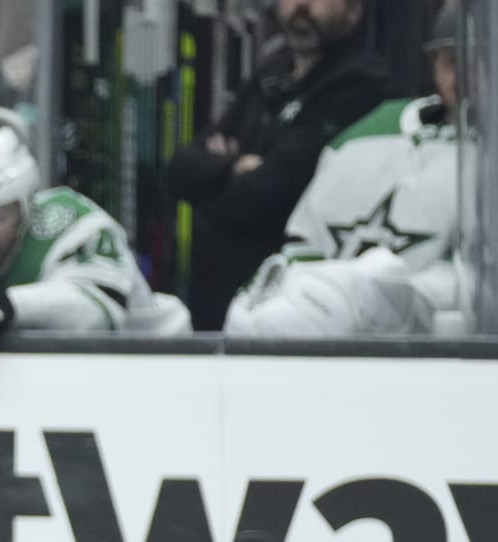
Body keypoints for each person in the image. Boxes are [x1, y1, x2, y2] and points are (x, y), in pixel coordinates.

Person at [224, 4, 461, 338]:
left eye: (486, 61)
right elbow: (304, 247)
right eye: (453, 62)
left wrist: (387, 301)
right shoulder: (371, 131)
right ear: (433, 63)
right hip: (333, 341)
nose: (469, 78)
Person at [162, 0, 389, 330]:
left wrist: (217, 175)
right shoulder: (272, 72)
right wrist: (235, 166)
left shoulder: (360, 83)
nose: (302, 6)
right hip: (220, 305)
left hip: (299, 308)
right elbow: (179, 170)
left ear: (354, 10)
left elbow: (268, 195)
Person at [0, 126, 192, 375]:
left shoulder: (73, 223)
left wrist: (4, 303)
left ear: (27, 206)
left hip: (167, 374)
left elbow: (97, 312)